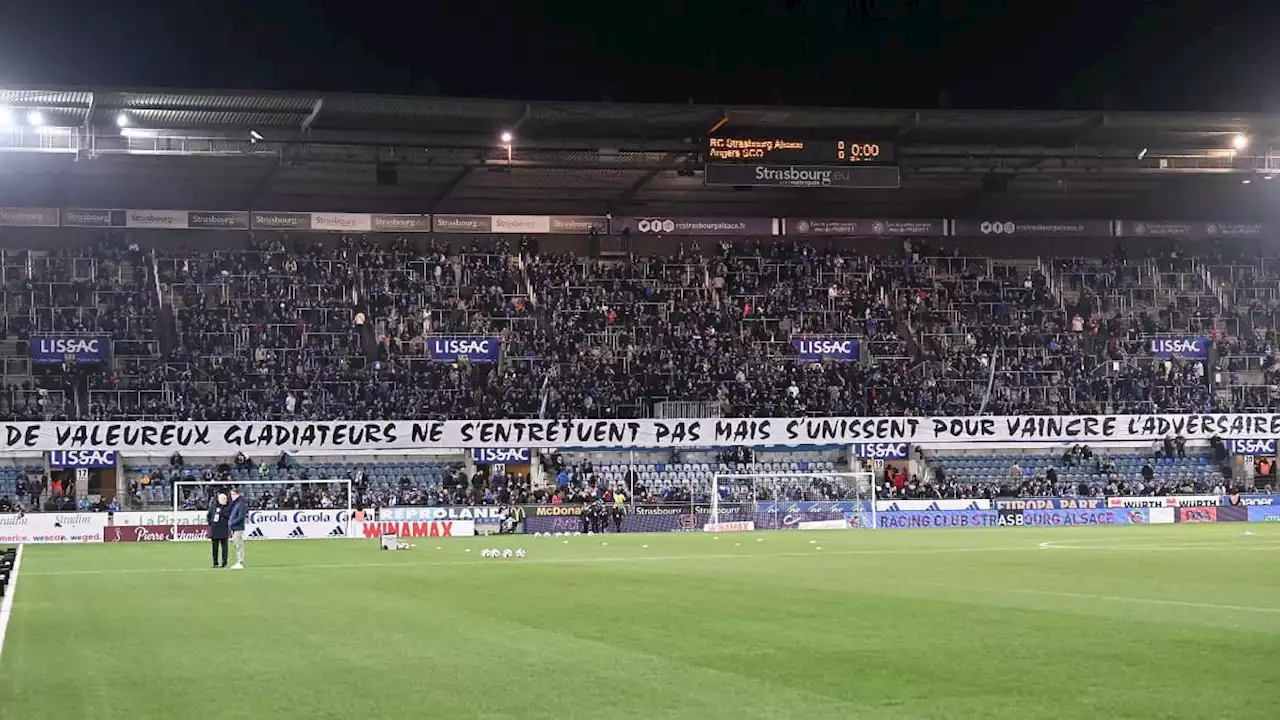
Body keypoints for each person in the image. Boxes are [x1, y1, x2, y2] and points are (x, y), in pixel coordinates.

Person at [207, 492, 230, 569]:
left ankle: (224, 562)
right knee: (215, 547)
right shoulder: (214, 506)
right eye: (223, 499)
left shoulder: (228, 507)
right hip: (215, 529)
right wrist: (211, 523)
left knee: (224, 547)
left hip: (224, 529)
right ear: (219, 499)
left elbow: (228, 515)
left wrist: (221, 512)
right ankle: (215, 562)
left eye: (225, 498)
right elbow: (209, 515)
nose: (225, 500)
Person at [227, 487, 247, 570]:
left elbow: (241, 516)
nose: (232, 496)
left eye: (233, 494)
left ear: (238, 494)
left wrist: (232, 522)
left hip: (238, 527)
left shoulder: (241, 503)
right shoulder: (236, 503)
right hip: (235, 527)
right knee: (236, 544)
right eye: (231, 494)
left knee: (238, 544)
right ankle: (239, 561)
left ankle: (240, 562)